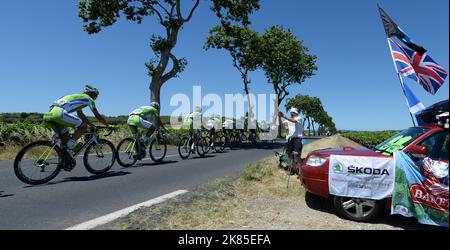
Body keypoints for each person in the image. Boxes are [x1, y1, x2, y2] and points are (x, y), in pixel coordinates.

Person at [43, 85, 108, 152]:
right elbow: (97, 115)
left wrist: (91, 124)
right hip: (59, 113)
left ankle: (63, 158)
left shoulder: (77, 97)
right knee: (84, 127)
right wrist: (106, 125)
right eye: (96, 96)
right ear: (93, 94)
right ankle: (70, 145)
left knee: (65, 137)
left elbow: (80, 114)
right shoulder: (89, 99)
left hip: (48, 115)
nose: (96, 98)